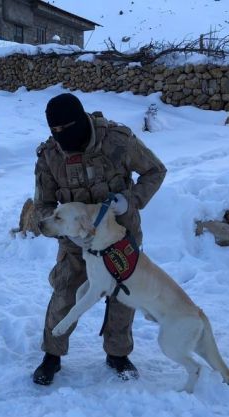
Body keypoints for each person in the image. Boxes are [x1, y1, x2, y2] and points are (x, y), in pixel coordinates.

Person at [32, 93, 167, 385]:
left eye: (65, 131)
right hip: (76, 244)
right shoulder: (50, 157)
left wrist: (129, 200)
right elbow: (41, 204)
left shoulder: (117, 141)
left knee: (122, 294)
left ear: (80, 123)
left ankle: (117, 353)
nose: (61, 139)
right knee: (66, 291)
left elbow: (155, 171)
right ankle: (52, 355)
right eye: (54, 133)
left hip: (120, 237)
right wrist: (62, 229)